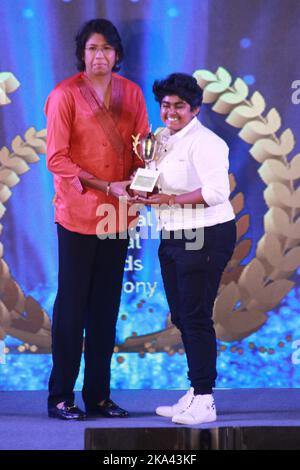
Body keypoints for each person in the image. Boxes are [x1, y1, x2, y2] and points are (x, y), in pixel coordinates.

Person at [45, 18, 148, 420]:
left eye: (106, 48)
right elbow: (57, 159)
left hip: (117, 216)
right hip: (77, 214)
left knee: (106, 309)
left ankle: (99, 396)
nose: (99, 55)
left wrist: (143, 181)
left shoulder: (133, 94)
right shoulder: (64, 96)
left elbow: (143, 152)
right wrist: (108, 186)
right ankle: (59, 397)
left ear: (117, 54)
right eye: (92, 48)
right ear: (81, 55)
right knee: (71, 309)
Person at [138, 73, 236, 425]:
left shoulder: (207, 143)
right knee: (181, 316)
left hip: (207, 233)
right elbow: (153, 178)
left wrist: (168, 199)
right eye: (166, 105)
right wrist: (142, 192)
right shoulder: (160, 139)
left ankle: (206, 399)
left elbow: (215, 193)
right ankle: (195, 391)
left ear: (195, 108)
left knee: (195, 316)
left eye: (180, 105)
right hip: (173, 233)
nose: (171, 111)